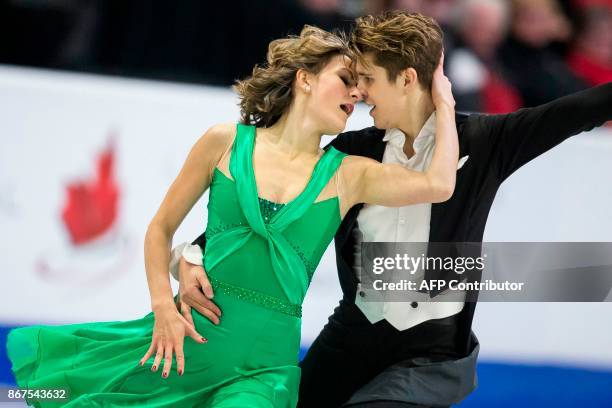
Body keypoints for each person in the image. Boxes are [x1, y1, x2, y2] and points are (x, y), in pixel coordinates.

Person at [174, 11, 612, 408]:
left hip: (431, 356)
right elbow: (280, 213)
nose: (358, 92)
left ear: (406, 79)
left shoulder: (485, 141)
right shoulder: (352, 153)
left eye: (367, 79)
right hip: (355, 336)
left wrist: (446, 108)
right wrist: (193, 251)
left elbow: (579, 110)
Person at [7, 25, 459, 407]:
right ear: (304, 79)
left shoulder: (348, 174)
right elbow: (159, 229)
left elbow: (440, 185)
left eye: (360, 85)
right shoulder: (223, 141)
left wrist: (445, 104)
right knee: (57, 393)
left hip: (263, 369)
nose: (357, 92)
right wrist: (163, 305)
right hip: (182, 343)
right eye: (345, 79)